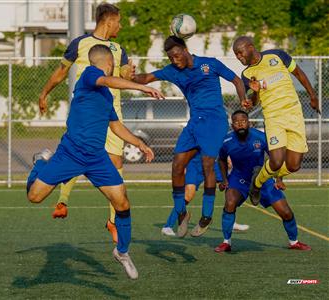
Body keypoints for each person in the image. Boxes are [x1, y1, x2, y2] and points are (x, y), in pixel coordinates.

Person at [27, 45, 164, 279]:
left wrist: (139, 143)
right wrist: (141, 87)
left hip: (97, 158)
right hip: (70, 153)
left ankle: (122, 252)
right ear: (108, 63)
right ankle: (41, 161)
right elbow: (106, 80)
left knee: (122, 203)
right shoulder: (90, 75)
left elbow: (116, 126)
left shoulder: (106, 95)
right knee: (35, 197)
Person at [132, 36, 247, 237]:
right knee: (177, 166)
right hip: (194, 123)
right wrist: (129, 77)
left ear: (185, 49)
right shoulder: (173, 71)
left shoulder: (209, 64)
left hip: (215, 121)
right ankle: (181, 214)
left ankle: (206, 217)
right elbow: (147, 78)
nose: (174, 61)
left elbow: (236, 80)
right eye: (170, 58)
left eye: (176, 55)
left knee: (207, 164)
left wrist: (243, 99)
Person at [39, 2, 134, 243]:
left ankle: (112, 220)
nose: (121, 27)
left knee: (116, 161)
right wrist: (44, 93)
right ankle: (63, 199)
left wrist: (129, 75)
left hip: (112, 112)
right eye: (119, 22)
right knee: (77, 154)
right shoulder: (80, 43)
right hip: (85, 113)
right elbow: (61, 71)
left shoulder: (118, 49)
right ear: (108, 21)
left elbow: (122, 76)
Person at [232, 36, 319, 205]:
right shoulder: (246, 74)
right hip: (273, 117)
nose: (238, 57)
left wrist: (313, 95)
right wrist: (255, 93)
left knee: (294, 166)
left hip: (294, 113)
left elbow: (299, 73)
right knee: (277, 161)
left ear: (250, 47)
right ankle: (256, 184)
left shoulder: (277, 55)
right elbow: (253, 102)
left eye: (240, 53)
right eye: (236, 55)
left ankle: (263, 174)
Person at [215, 110, 311, 252]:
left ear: (249, 122)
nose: (240, 124)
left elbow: (276, 160)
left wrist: (279, 178)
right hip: (239, 178)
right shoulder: (226, 141)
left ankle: (294, 242)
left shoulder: (260, 137)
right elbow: (221, 160)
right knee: (230, 203)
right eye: (236, 122)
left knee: (285, 212)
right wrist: (224, 180)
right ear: (232, 125)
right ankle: (226, 242)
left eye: (243, 121)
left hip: (262, 178)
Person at [161, 152, 249, 237]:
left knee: (228, 186)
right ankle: (168, 226)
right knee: (188, 195)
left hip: (212, 162)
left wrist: (228, 157)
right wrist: (182, 163)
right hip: (196, 164)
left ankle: (231, 222)